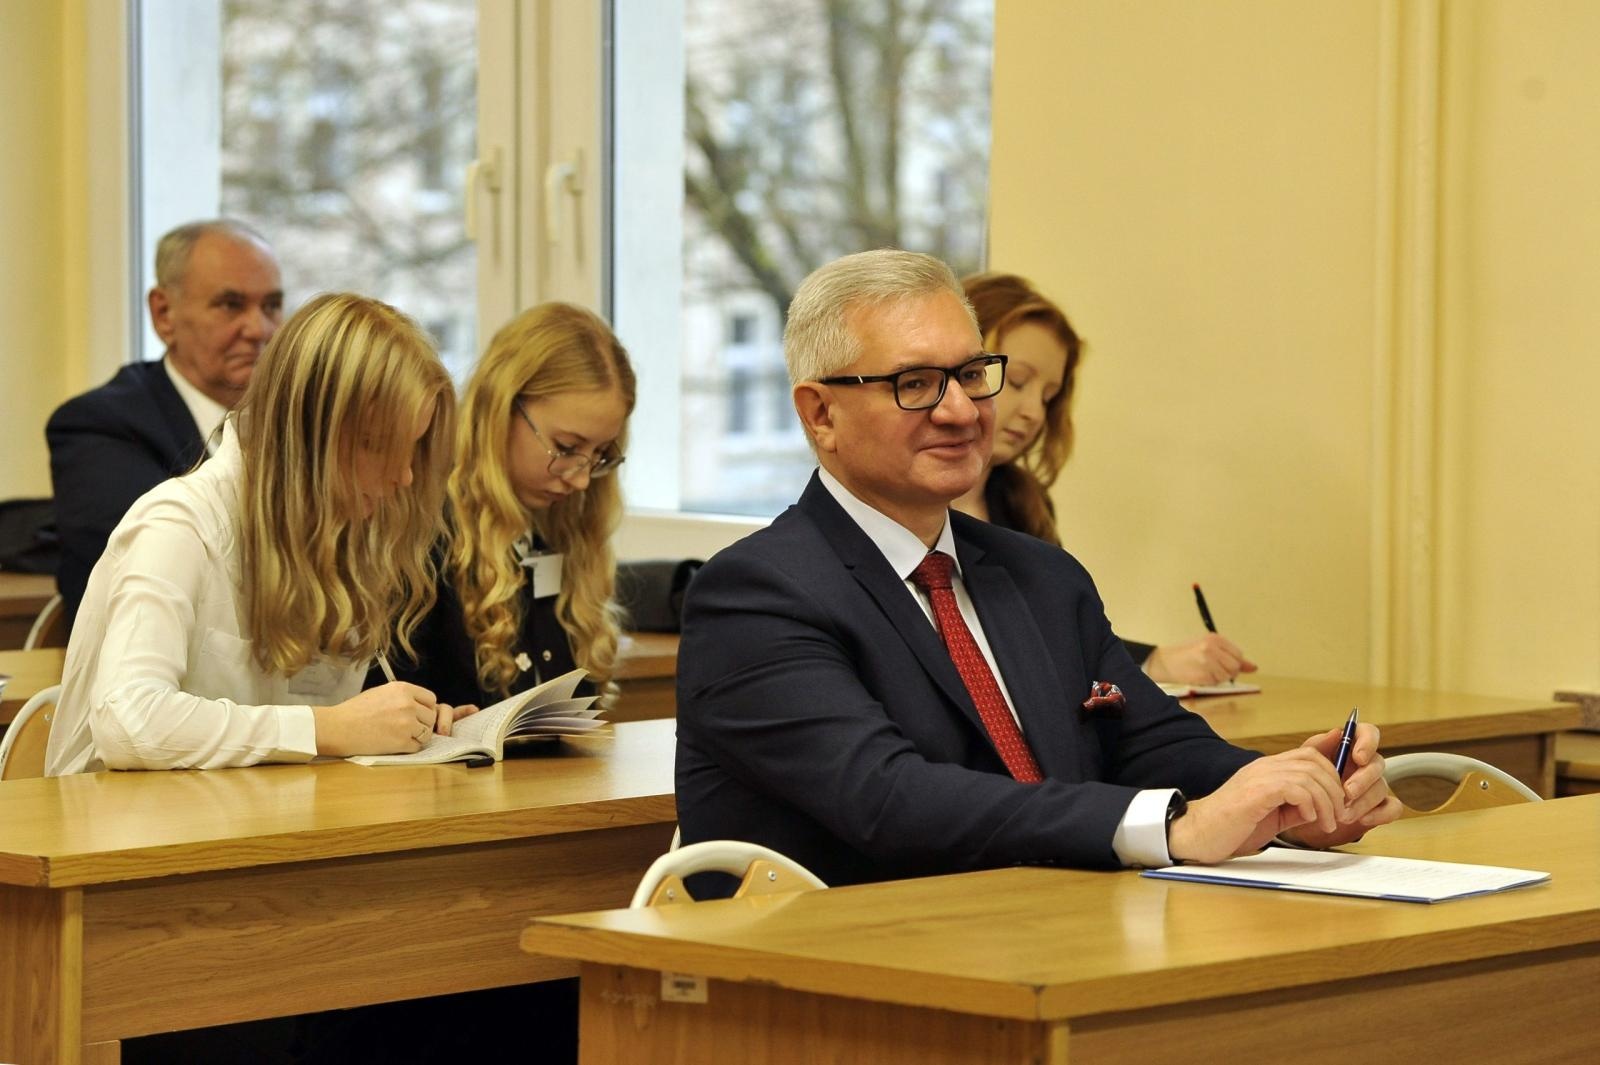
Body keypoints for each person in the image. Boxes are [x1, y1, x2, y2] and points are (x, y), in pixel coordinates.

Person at [675, 249, 1400, 888]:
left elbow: (1150, 742)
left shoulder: (1042, 577)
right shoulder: (757, 594)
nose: (961, 410)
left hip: (1055, 931)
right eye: (917, 383)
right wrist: (1176, 828)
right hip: (845, 988)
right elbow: (887, 797)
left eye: (970, 373)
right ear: (820, 414)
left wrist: (1283, 796)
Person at [45, 292, 465, 777]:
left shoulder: (340, 536)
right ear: (306, 433)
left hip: (254, 820)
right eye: (376, 446)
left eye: (412, 450)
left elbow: (304, 743)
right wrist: (326, 728)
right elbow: (128, 722)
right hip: (122, 834)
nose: (404, 477)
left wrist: (412, 732)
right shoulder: (179, 525)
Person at [954, 272, 1255, 687]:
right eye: (1018, 382)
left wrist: (1153, 661)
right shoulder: (907, 506)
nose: (1034, 413)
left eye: (1048, 396)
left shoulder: (1025, 502)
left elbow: (1061, 634)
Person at [388, 302, 635, 710]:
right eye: (566, 447)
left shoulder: (561, 527)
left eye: (601, 454)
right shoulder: (420, 530)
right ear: (501, 409)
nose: (580, 478)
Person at [47, 219, 284, 627]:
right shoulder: (98, 426)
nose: (259, 329)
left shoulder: (297, 425)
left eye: (271, 306)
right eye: (231, 304)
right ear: (164, 314)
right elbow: (168, 572)